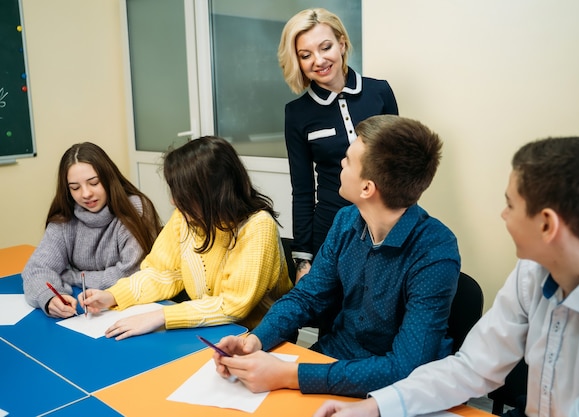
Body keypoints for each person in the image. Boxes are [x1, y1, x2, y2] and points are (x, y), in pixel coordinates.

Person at [313, 136, 579, 417]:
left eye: (510, 204)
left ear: (547, 225)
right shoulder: (532, 272)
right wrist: (374, 407)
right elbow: (473, 366)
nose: (504, 214)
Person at [213, 115, 461, 398]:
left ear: (367, 188)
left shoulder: (435, 250)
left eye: (347, 160)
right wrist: (255, 340)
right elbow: (307, 296)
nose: (340, 164)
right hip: (334, 358)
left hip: (397, 390)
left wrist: (288, 375)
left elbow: (405, 367)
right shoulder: (346, 221)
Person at [82, 136, 293, 340]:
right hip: (210, 332)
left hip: (260, 338)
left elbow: (233, 305)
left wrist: (161, 317)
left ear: (211, 192)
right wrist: (113, 296)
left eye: (183, 193)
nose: (174, 201)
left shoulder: (258, 226)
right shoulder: (186, 218)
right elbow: (162, 273)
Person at [278, 8, 399, 280]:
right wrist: (303, 260)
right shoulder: (297, 113)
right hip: (331, 229)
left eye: (326, 47)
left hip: (386, 223)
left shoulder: (379, 92)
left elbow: (400, 167)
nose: (318, 60)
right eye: (305, 55)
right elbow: (303, 189)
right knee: (333, 317)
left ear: (342, 44)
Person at [22, 142, 161, 319]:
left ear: (109, 179)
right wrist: (48, 299)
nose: (86, 194)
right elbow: (36, 269)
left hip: (131, 310)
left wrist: (72, 277)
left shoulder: (135, 209)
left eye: (94, 183)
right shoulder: (64, 218)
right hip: (85, 311)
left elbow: (131, 272)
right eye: (75, 188)